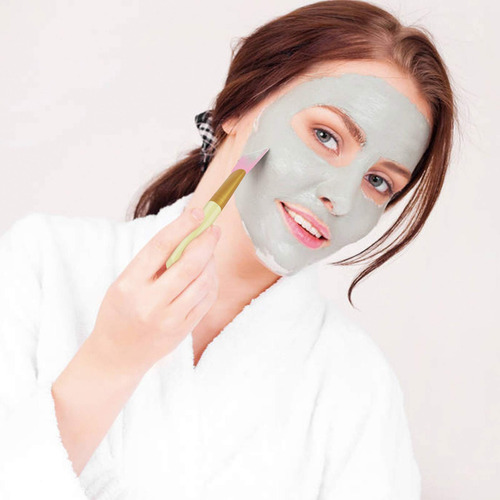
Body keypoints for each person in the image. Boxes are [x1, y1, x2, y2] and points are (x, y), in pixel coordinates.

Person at [0, 1, 455, 498]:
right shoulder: (42, 263)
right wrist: (111, 359)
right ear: (238, 109)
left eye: (378, 181)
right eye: (325, 136)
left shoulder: (357, 384)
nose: (342, 199)